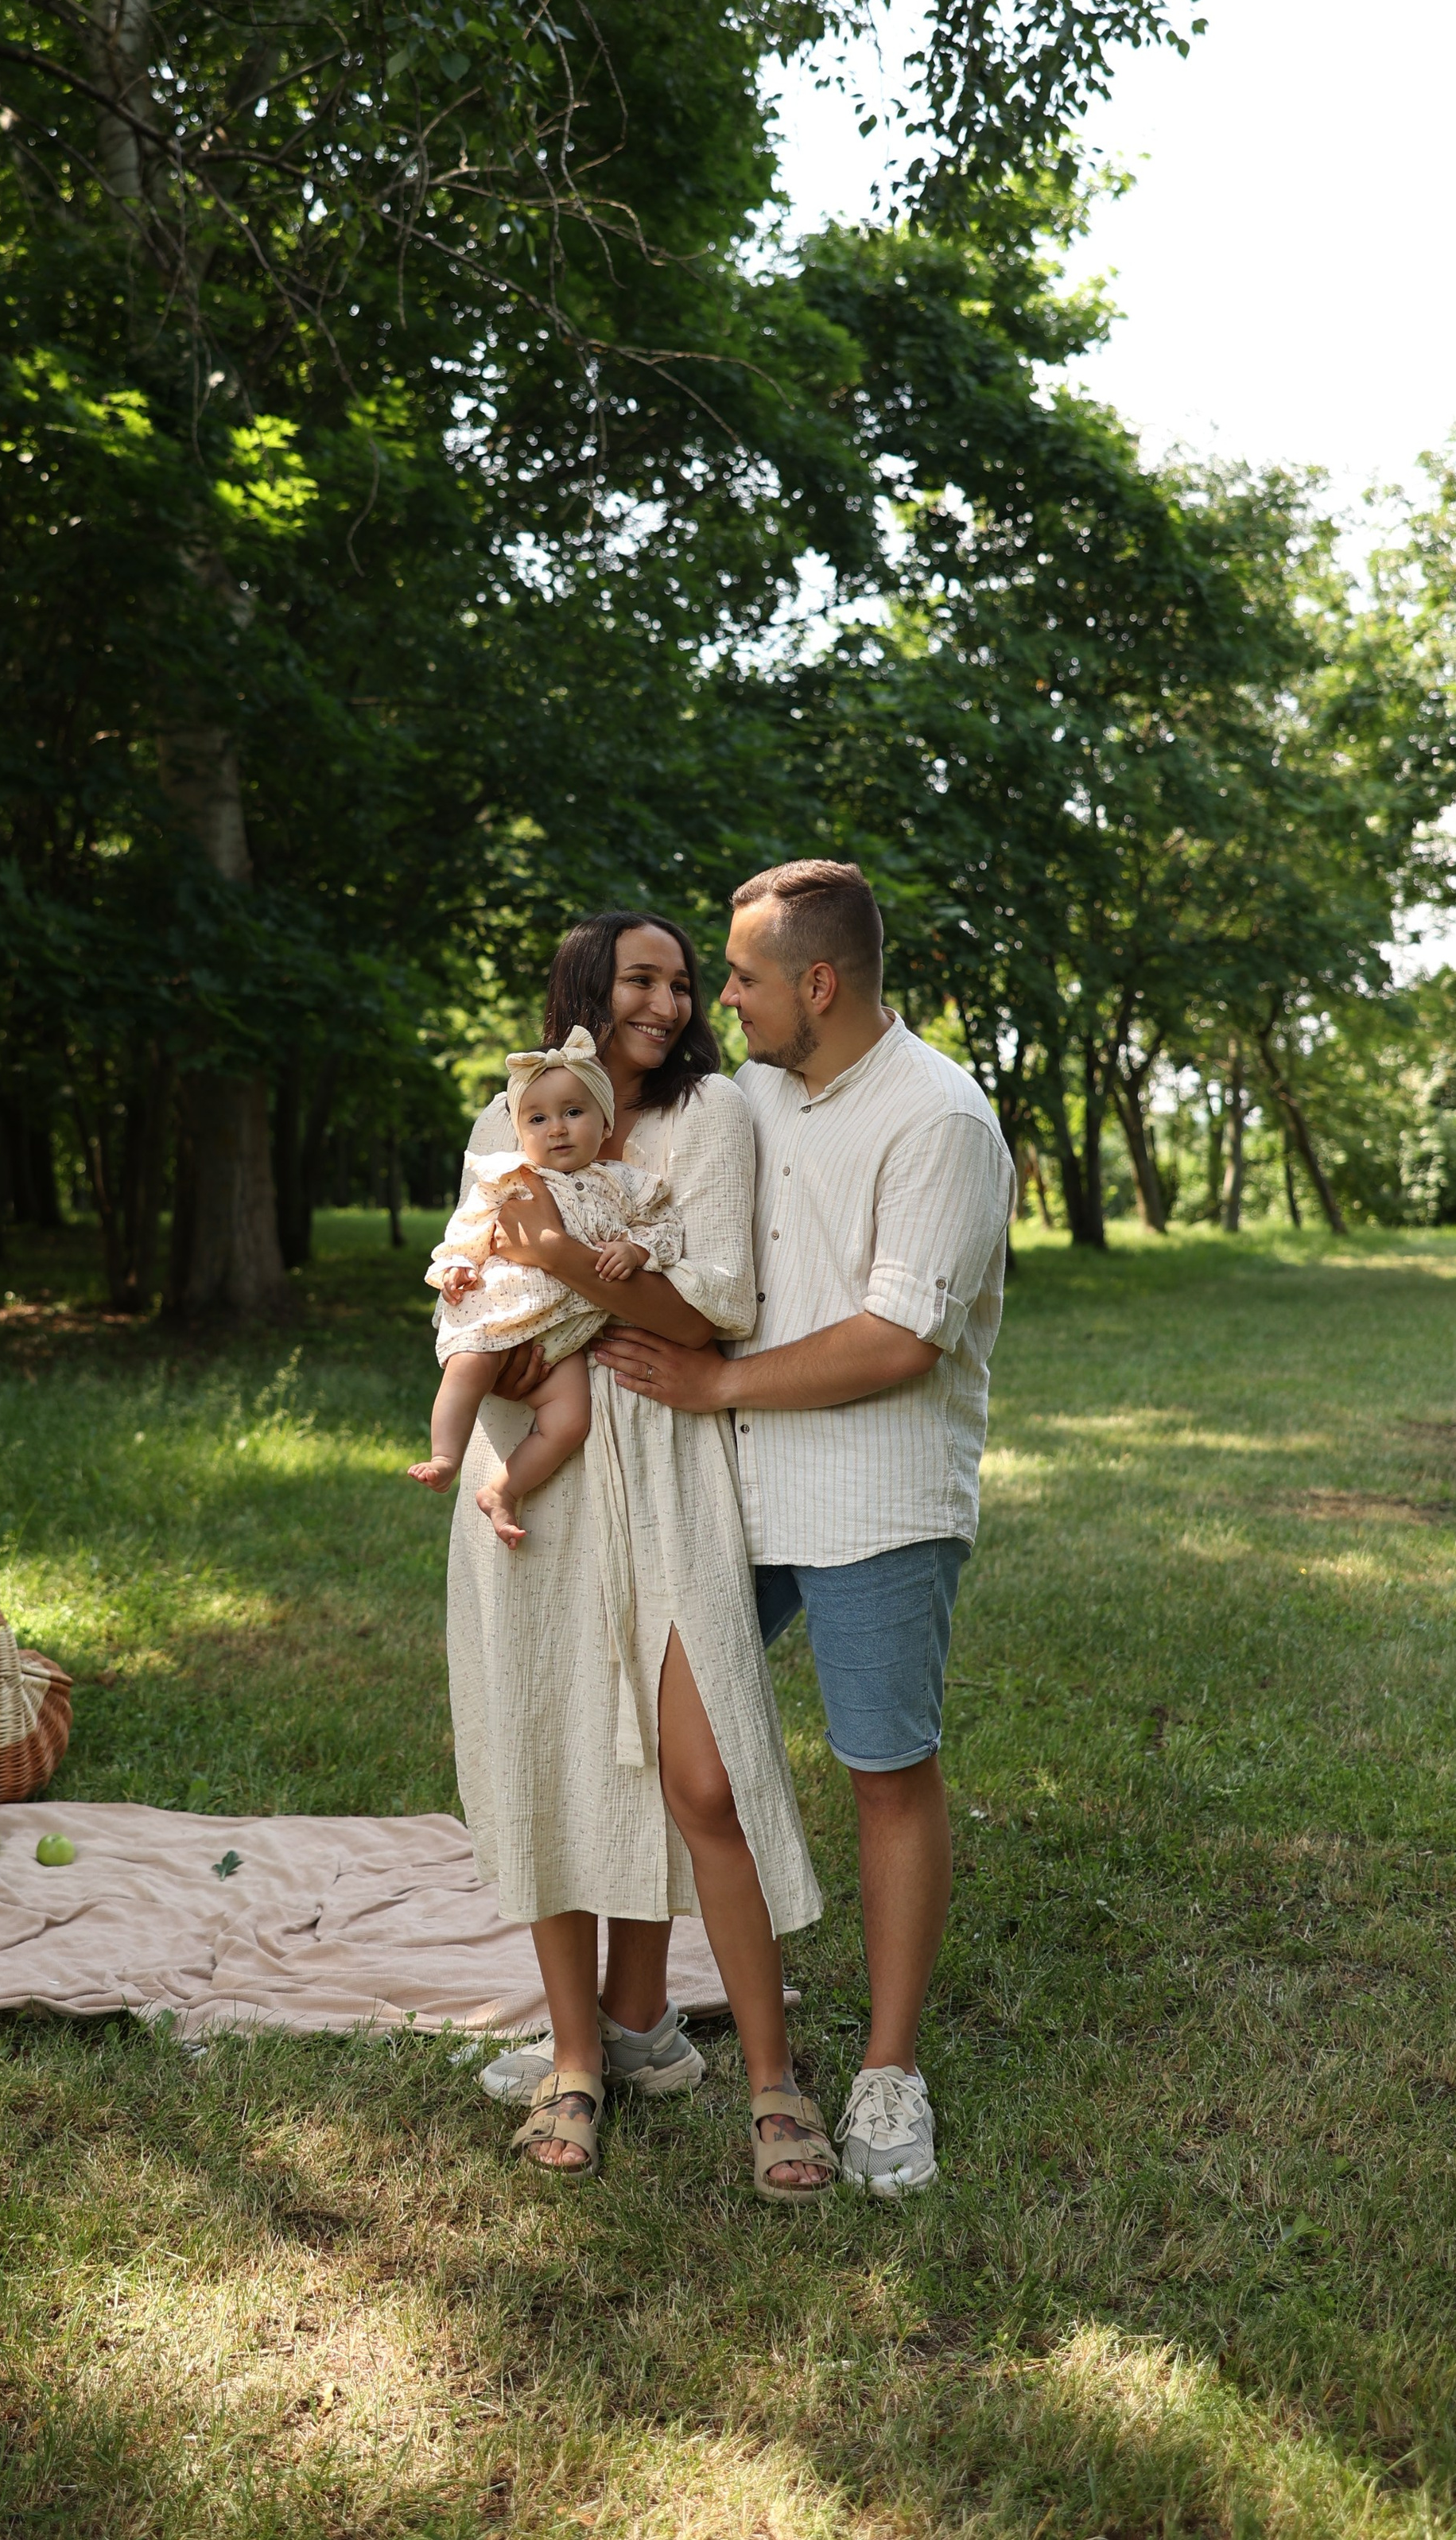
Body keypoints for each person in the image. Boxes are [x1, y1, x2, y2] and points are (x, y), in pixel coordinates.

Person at [596, 859, 1014, 2197]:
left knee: (883, 1770)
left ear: (818, 984)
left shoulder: (940, 1118)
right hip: (730, 1489)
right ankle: (634, 2024)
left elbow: (899, 1339)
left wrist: (718, 1380)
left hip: (876, 1501)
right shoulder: (752, 1098)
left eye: (744, 978)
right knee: (682, 1757)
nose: (724, 999)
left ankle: (889, 2077)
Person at [445, 912, 833, 2196]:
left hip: (667, 1462)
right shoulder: (509, 1124)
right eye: (642, 981)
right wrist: (506, 1319)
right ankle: (580, 2057)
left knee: (703, 1774)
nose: (669, 1003)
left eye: (681, 983)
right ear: (583, 991)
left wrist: (561, 1261)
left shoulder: (707, 1117)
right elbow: (468, 1303)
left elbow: (717, 1305)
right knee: (549, 1746)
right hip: (536, 1467)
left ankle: (773, 2083)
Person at [410, 1029, 681, 1541]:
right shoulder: (511, 1176)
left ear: (605, 1125)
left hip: (565, 1336)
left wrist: (636, 1250)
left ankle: (504, 1490)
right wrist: (456, 1266)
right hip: (500, 1312)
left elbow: (664, 1228)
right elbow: (469, 1224)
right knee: (469, 1368)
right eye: (538, 1119)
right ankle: (445, 1454)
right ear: (520, 1132)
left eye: (573, 1113)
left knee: (569, 1422)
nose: (556, 1129)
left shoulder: (624, 1184)